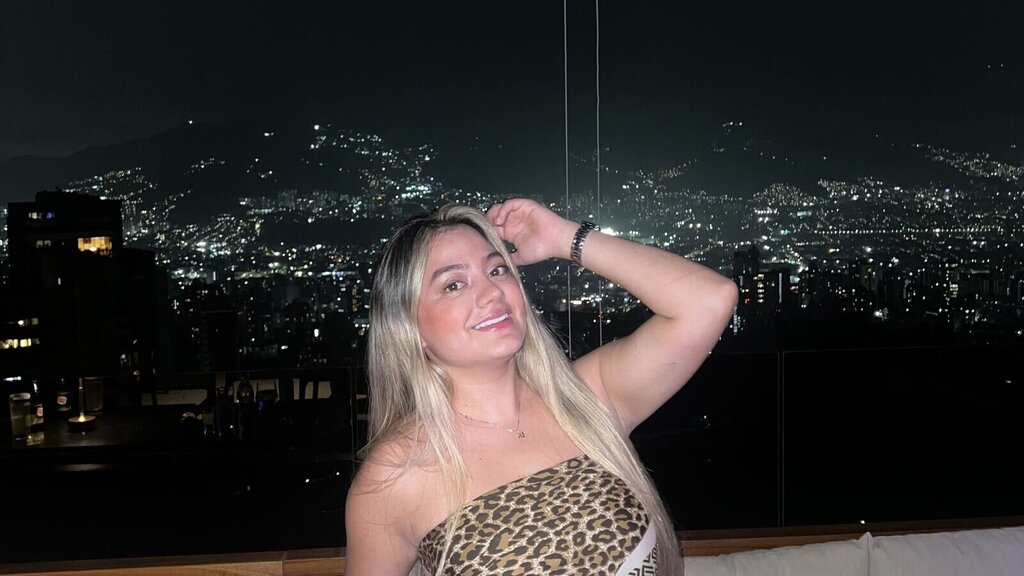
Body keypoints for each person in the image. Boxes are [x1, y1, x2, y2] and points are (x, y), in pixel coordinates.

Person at [345, 198, 738, 575]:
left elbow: (709, 300)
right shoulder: (396, 474)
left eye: (497, 270)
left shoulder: (587, 398)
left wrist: (563, 238)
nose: (492, 293)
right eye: (454, 285)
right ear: (411, 330)